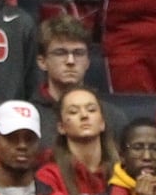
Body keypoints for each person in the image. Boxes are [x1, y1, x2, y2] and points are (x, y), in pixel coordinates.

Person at [30, 16, 126, 146]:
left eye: (78, 53)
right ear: (42, 62)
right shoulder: (28, 116)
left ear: (87, 62)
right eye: (60, 53)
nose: (70, 61)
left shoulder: (111, 116)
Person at [43, 88, 122, 195]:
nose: (84, 115)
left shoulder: (123, 171)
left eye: (91, 110)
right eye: (73, 112)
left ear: (102, 123)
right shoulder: (50, 176)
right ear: (61, 127)